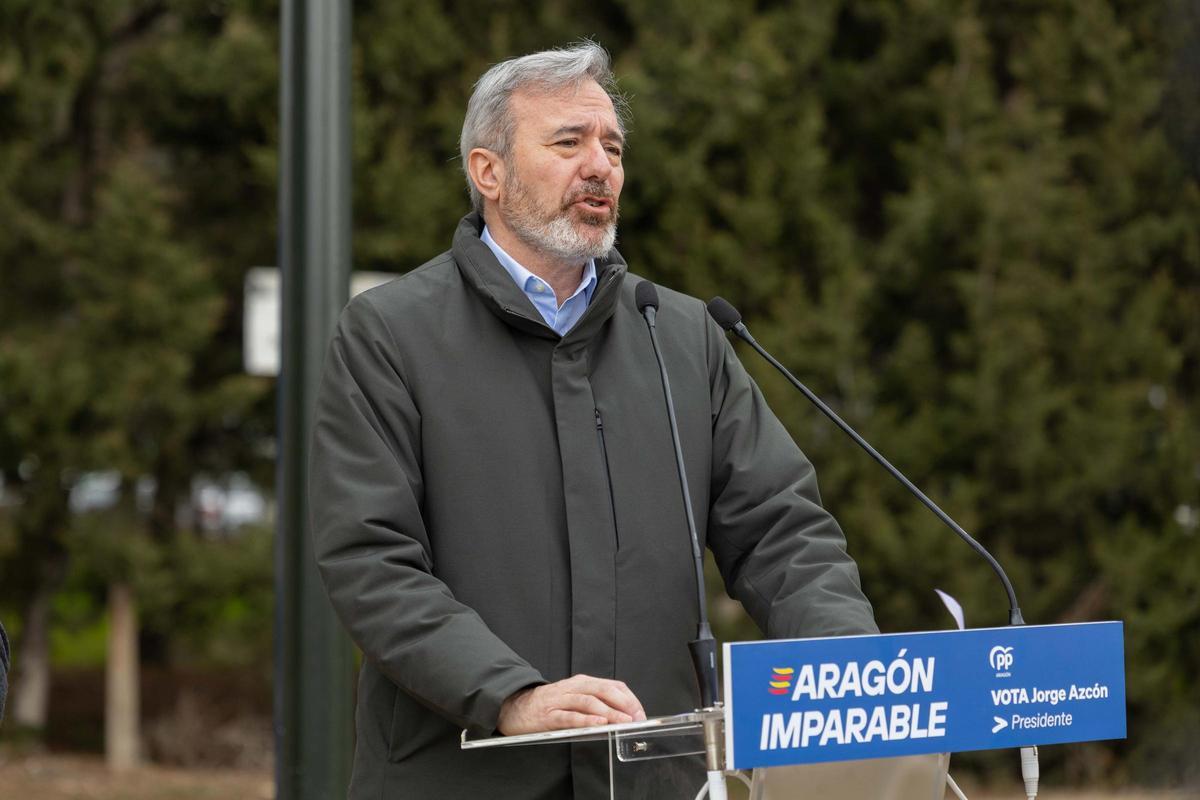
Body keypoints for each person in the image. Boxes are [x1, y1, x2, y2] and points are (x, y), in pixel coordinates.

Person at [310, 41, 876, 799]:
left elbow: (782, 529)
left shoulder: (678, 335)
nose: (601, 165)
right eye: (569, 142)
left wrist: (851, 666)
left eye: (612, 145)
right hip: (462, 777)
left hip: (652, 780)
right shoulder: (390, 334)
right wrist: (510, 694)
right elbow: (370, 561)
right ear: (490, 173)